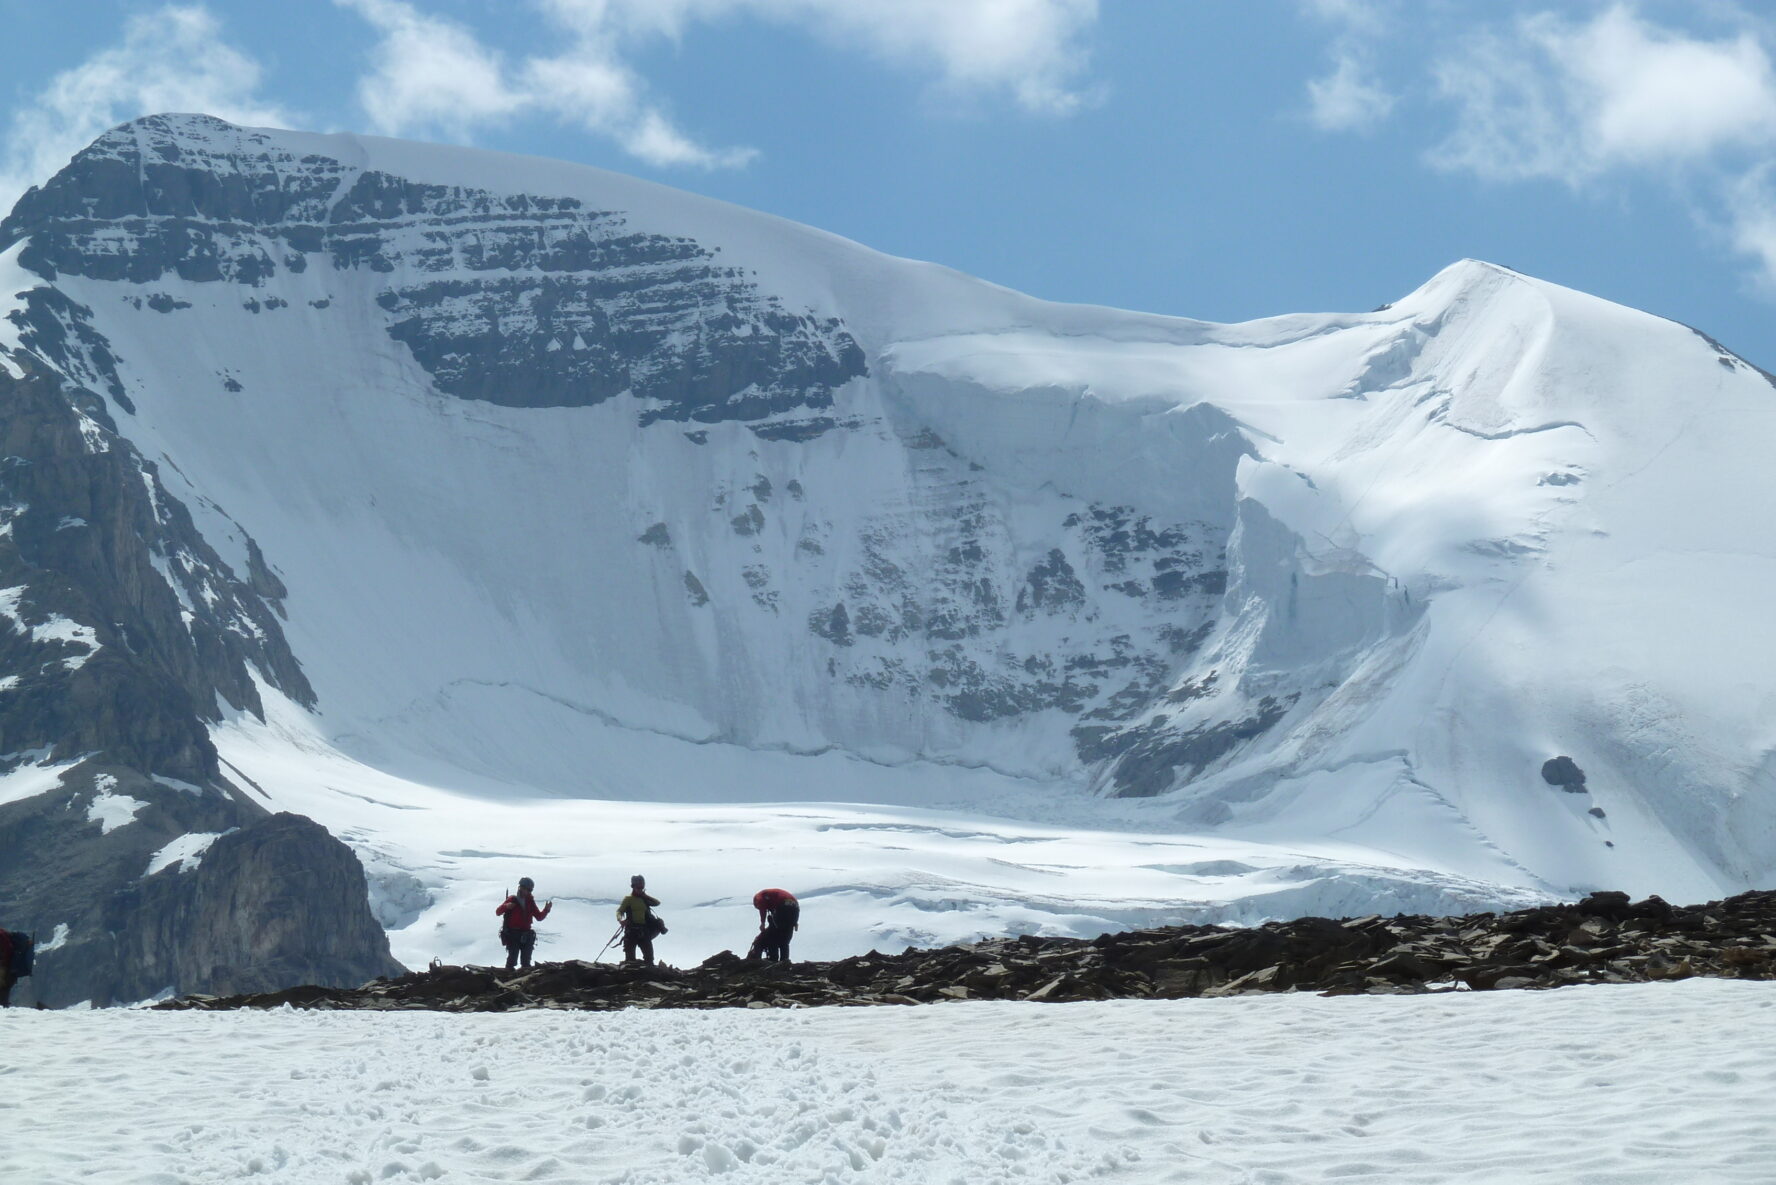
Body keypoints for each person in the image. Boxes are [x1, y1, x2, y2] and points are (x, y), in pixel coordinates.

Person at [495, 877, 552, 971]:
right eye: (522, 887)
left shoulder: (530, 902)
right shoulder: (512, 899)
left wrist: (546, 910)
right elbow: (498, 912)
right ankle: (508, 977)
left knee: (526, 962)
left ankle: (522, 980)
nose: (524, 890)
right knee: (512, 960)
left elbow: (539, 917)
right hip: (513, 934)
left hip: (526, 935)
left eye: (527, 889)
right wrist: (506, 906)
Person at [616, 875, 661, 965]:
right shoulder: (628, 899)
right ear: (633, 886)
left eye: (642, 887)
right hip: (631, 931)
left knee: (649, 958)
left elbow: (657, 903)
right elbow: (619, 911)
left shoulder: (644, 899)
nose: (640, 889)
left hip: (644, 931)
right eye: (638, 887)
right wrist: (621, 920)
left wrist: (645, 896)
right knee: (630, 959)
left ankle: (648, 974)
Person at [750, 888, 799, 963]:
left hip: (783, 905)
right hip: (795, 906)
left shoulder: (759, 897)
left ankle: (773, 960)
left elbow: (762, 907)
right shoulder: (771, 896)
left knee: (772, 936)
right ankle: (784, 961)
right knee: (785, 938)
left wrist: (762, 923)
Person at [0, 929, 15, 1007]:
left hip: (3, 966)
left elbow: (7, 950)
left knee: (2, 986)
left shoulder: (1, 935)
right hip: (6, 966)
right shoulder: (3, 933)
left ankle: (3, 1006)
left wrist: (3, 961)